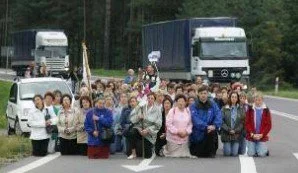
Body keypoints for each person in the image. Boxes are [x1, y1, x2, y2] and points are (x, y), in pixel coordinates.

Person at [189, 85, 222, 158]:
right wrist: (206, 126)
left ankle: (211, 152)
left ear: (207, 94)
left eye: (205, 93)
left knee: (212, 132)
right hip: (198, 132)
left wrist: (214, 125)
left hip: (210, 131)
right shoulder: (193, 106)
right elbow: (195, 119)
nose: (203, 95)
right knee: (198, 154)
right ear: (198, 94)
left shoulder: (213, 104)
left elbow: (218, 115)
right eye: (201, 93)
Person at [127, 92, 162, 159]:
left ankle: (151, 148)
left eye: (152, 98)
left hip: (149, 133)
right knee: (132, 132)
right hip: (140, 129)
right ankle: (133, 153)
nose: (150, 100)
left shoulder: (158, 110)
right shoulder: (141, 106)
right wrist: (138, 117)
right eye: (148, 98)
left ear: (154, 100)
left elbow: (158, 124)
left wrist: (148, 130)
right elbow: (132, 118)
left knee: (147, 156)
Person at [246, 92, 272, 157]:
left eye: (259, 100)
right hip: (252, 135)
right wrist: (251, 134)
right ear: (254, 100)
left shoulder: (266, 110)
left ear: (262, 100)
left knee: (261, 154)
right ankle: (256, 147)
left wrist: (262, 134)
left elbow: (269, 125)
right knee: (251, 154)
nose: (258, 102)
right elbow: (247, 123)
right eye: (256, 100)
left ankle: (265, 150)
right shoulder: (250, 109)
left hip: (261, 135)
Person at [221, 92, 245, 156]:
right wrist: (228, 129)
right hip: (226, 134)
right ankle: (226, 146)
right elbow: (221, 121)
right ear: (230, 98)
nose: (234, 98)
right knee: (227, 153)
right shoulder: (224, 108)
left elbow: (242, 122)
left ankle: (237, 147)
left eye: (235, 97)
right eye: (232, 97)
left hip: (236, 134)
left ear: (237, 99)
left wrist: (235, 130)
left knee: (234, 153)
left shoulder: (241, 109)